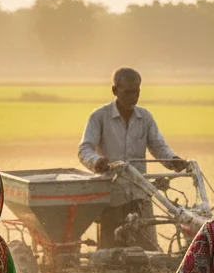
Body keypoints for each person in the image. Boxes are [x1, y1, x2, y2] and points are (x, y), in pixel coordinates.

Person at [78, 67, 187, 253]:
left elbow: (158, 146)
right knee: (111, 253)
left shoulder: (145, 118)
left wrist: (173, 160)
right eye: (127, 92)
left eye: (136, 92)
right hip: (112, 197)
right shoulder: (99, 117)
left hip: (140, 194)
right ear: (115, 91)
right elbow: (84, 149)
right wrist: (97, 162)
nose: (133, 97)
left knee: (148, 249)